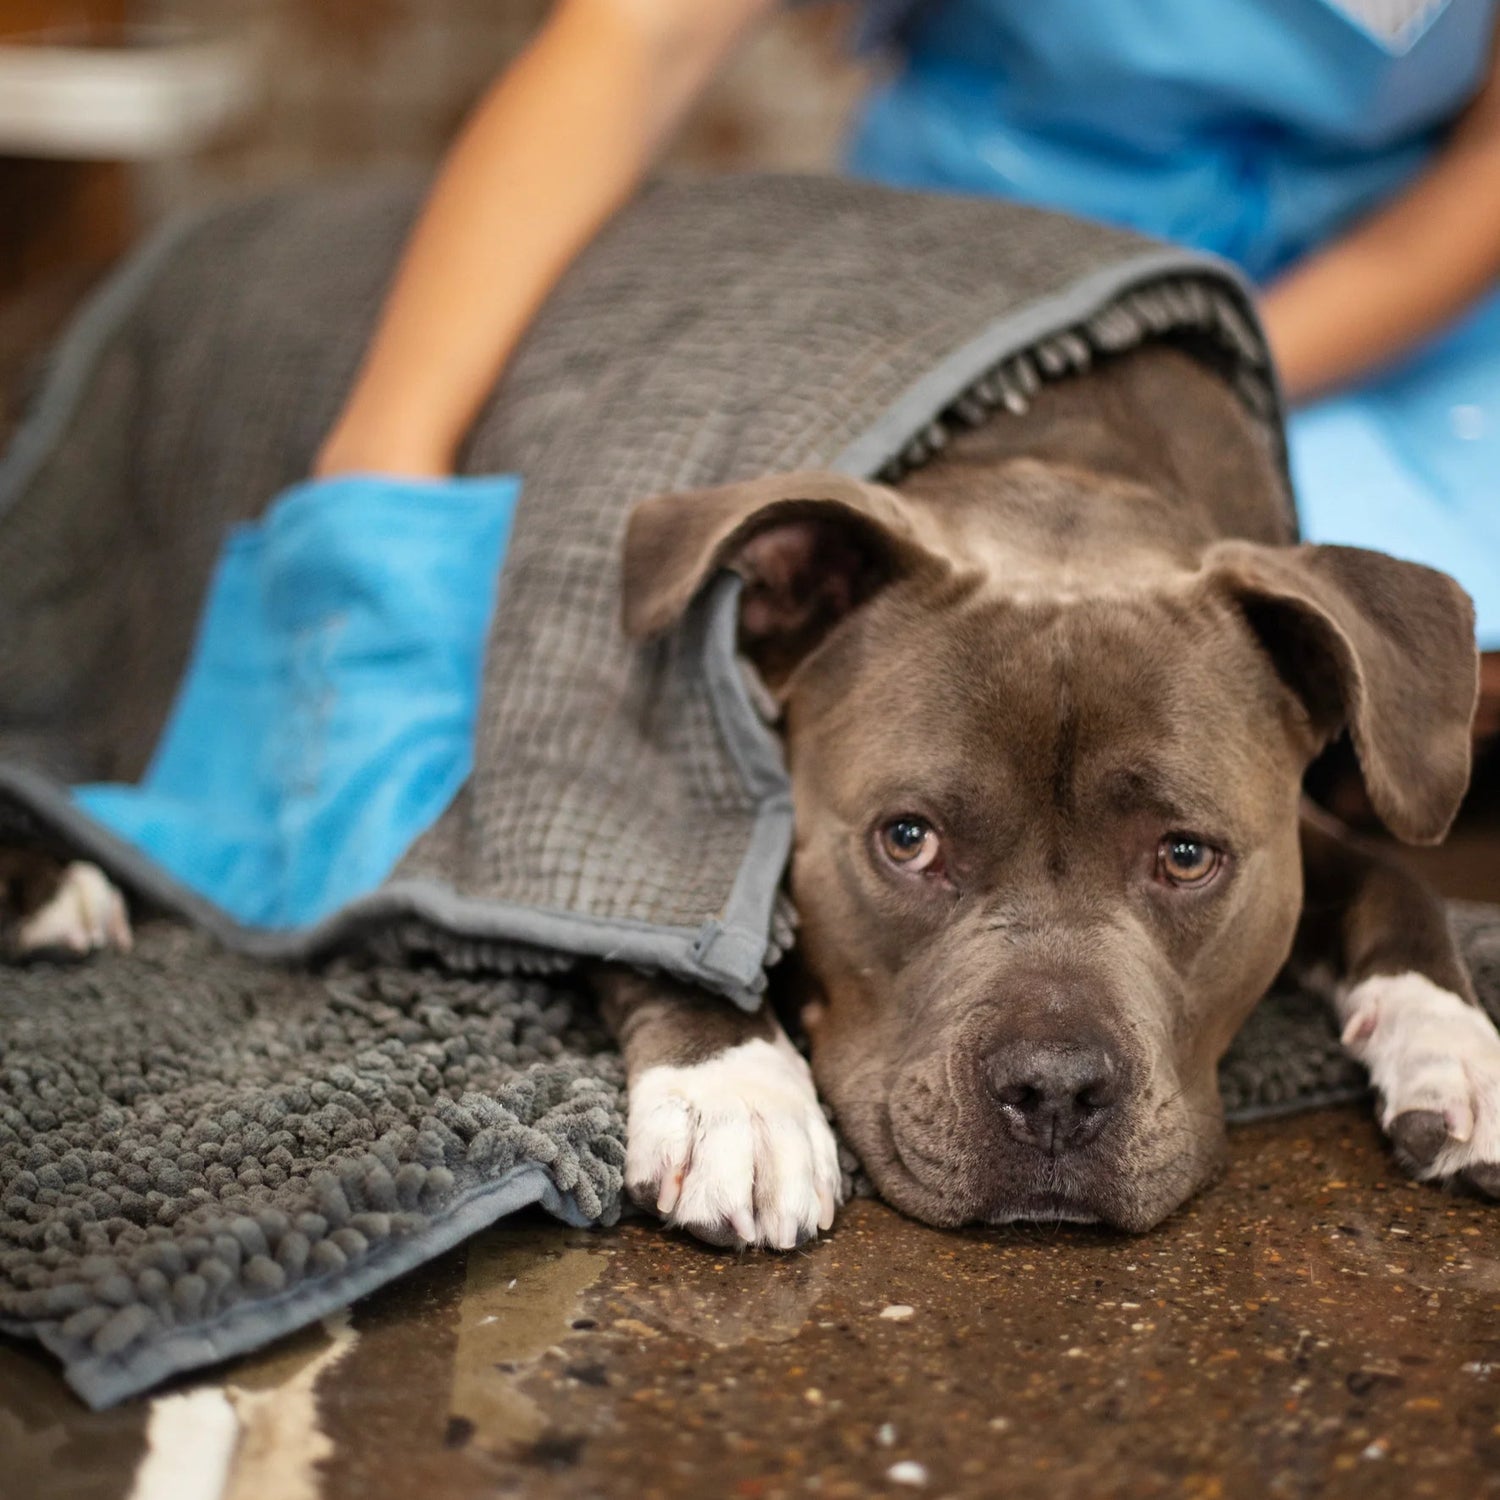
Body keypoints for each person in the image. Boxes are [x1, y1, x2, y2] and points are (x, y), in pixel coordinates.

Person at [315, 0, 1500, 657]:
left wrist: (1200, 373)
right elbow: (640, 36)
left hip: (1376, 308)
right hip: (973, 268)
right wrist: (389, 446)